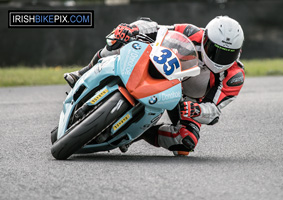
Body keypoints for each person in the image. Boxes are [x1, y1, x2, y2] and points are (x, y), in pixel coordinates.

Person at [64, 16, 245, 155]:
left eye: (227, 54)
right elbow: (156, 28)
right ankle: (83, 72)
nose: (218, 58)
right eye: (214, 49)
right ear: (206, 37)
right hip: (163, 69)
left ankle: (137, 132)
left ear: (238, 52)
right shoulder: (192, 32)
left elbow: (214, 110)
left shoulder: (234, 76)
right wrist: (131, 29)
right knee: (122, 39)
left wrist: (198, 110)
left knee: (185, 143)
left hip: (186, 100)